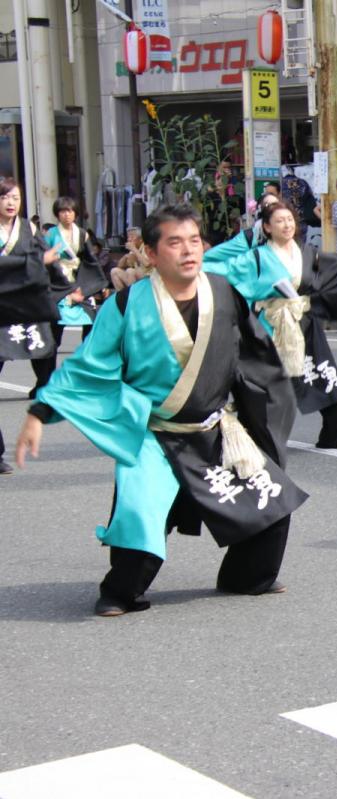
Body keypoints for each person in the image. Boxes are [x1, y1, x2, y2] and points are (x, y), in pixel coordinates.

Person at [14, 204, 307, 616]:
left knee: (271, 500)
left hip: (215, 429)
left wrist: (264, 415)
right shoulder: (125, 305)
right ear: (151, 254)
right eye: (175, 243)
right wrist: (40, 412)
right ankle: (120, 592)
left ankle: (246, 577)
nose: (188, 251)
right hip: (157, 433)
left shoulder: (224, 294)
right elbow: (88, 366)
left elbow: (255, 358)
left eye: (194, 241)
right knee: (140, 512)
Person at [214, 201, 337, 450]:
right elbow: (223, 271)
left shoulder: (307, 253)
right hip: (271, 325)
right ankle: (252, 435)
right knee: (266, 384)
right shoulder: (256, 257)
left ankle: (334, 433)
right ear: (267, 227)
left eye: (289, 219)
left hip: (305, 323)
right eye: (279, 221)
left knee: (326, 376)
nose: (286, 225)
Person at [0, 180, 60, 475]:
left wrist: (70, 289)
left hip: (23, 310)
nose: (11, 202)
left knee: (47, 356)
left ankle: (46, 397)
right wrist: (35, 261)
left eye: (16, 197)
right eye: (5, 197)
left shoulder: (28, 229)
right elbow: (37, 260)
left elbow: (50, 262)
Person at [42, 195, 107, 356]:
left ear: (75, 213)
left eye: (70, 211)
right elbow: (43, 258)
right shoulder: (51, 234)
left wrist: (99, 284)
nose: (67, 215)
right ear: (57, 214)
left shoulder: (82, 234)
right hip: (58, 282)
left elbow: (90, 260)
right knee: (57, 321)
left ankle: (86, 351)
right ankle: (51, 351)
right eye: (63, 211)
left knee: (90, 317)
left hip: (78, 281)